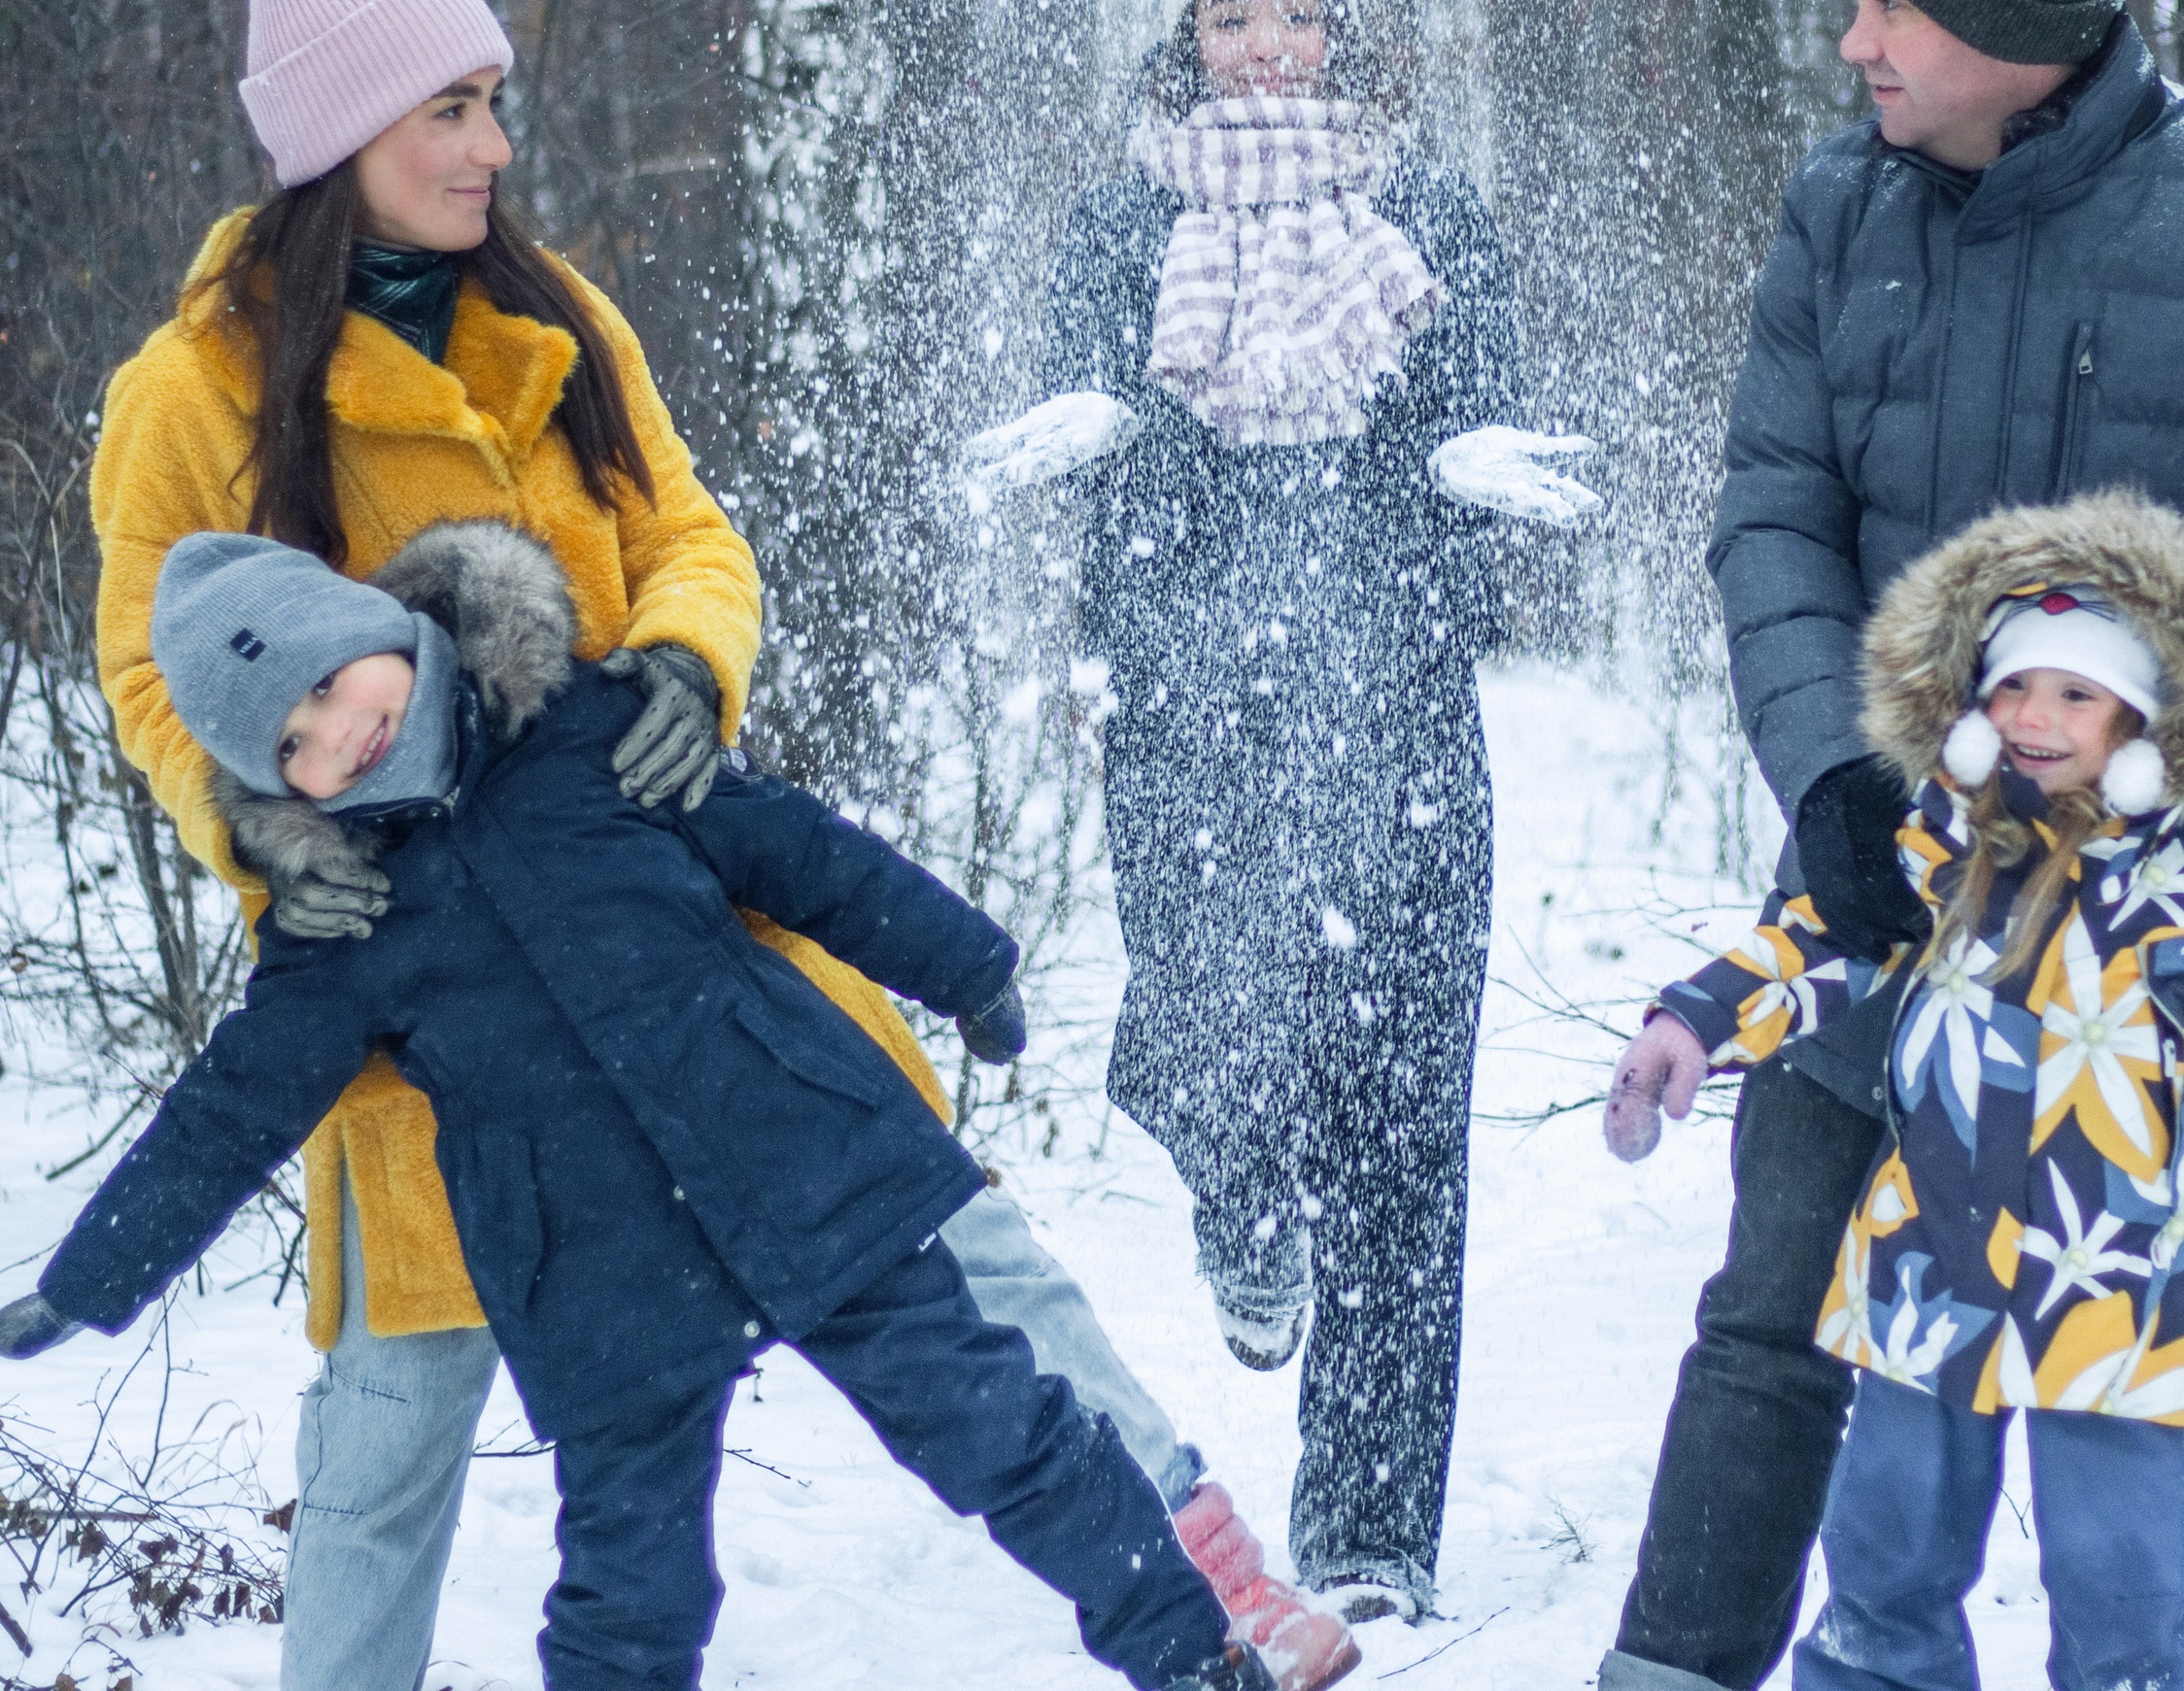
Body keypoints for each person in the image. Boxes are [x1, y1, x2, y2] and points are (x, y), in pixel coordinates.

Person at [89, 0, 1344, 1691]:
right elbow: (150, 675)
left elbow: (687, 527)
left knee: (955, 1235)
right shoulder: (188, 391)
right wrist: (265, 840)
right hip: (432, 996)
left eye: (494, 101)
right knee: (393, 1416)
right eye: (448, 110)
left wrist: (685, 659)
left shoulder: (556, 315)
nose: (493, 147)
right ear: (336, 140)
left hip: (670, 902)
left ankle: (1215, 1580)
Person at [1595, 0, 2184, 1691]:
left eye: (1884, 2)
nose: (1854, 43)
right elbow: (1770, 509)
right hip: (1891, 853)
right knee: (1775, 1311)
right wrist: (1831, 775)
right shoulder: (1842, 206)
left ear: (2004, 14)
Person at [1, 521, 1270, 1691]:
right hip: (594, 1270)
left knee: (1004, 1431)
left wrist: (967, 966)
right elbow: (232, 1108)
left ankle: (1192, 1653)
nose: (338, 733)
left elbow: (800, 853)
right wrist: (91, 1277)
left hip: (805, 1162)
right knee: (632, 1589)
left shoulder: (600, 726)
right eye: (290, 740)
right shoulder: (343, 916)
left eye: (333, 680)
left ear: (384, 630)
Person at [966, 0, 1596, 1626]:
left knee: (1400, 1118)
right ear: (1187, 42)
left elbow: (1493, 423)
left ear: (1341, 33)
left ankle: (1373, 1530)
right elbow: (1100, 422)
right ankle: (1242, 1204)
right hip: (1183, 715)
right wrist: (1102, 431)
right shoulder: (1119, 228)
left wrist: (1470, 483)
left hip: (1397, 718)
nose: (1266, 42)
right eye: (1231, 12)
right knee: (1200, 1026)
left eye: (1295, 9)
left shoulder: (1432, 214)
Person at [1610, 492, 2184, 1691]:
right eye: (2012, 689)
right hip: (1930, 1267)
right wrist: (1692, 1022)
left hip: (2118, 1282)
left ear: (2142, 722)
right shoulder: (1939, 847)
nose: (2036, 718)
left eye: (2075, 694)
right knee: (1884, 1549)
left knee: (2128, 1575)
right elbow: (1814, 947)